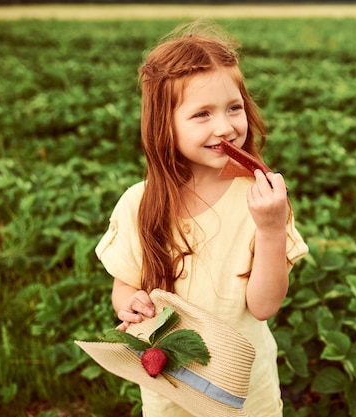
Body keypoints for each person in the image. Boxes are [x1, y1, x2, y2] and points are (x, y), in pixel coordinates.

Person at [94, 20, 308, 417]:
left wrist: (271, 228)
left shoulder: (261, 200)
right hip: (171, 387)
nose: (225, 127)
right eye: (202, 114)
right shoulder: (139, 204)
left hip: (244, 391)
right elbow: (124, 288)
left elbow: (263, 306)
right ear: (164, 125)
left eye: (234, 108)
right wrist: (131, 304)